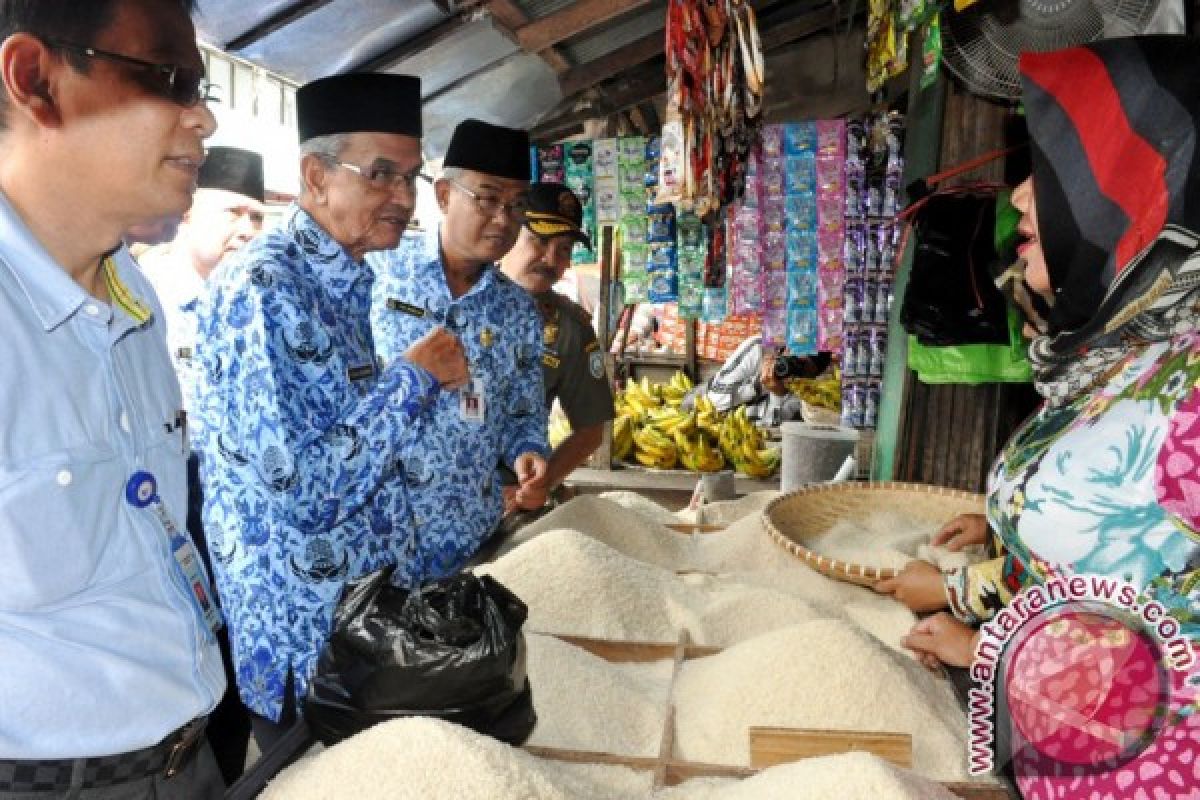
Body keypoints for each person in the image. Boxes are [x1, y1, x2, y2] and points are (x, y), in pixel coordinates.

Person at [878, 36, 1200, 800]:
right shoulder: (1123, 352)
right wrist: (981, 593)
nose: (1020, 195)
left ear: (1147, 183)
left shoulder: (1188, 391)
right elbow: (1115, 575)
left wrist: (986, 651)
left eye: (1054, 167)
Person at [193, 73, 468, 751]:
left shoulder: (342, 282)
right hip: (305, 651)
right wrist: (412, 381)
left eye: (410, 177)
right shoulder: (264, 285)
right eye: (380, 175)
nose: (403, 199)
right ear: (316, 178)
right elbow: (306, 491)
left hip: (360, 632)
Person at [0, 0, 226, 797]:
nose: (200, 119)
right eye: (169, 78)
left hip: (185, 759)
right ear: (37, 79)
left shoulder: (128, 289)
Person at [368, 118, 550, 575]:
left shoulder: (518, 311)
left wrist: (528, 453)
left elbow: (524, 414)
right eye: (488, 198)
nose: (503, 219)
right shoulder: (377, 275)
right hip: (378, 543)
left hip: (472, 545)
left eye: (517, 205)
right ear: (445, 195)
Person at [137, 145, 265, 785]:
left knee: (232, 709)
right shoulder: (145, 300)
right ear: (187, 210)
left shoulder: (253, 308)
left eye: (257, 217)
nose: (247, 228)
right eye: (234, 211)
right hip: (169, 537)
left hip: (238, 551)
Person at [499, 182, 615, 495]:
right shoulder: (459, 301)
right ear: (510, 235)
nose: (551, 259)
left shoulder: (569, 329)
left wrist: (541, 486)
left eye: (563, 249)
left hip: (507, 501)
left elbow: (591, 430)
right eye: (538, 240)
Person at [686, 335, 830, 427]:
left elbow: (769, 431)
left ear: (813, 375)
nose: (793, 368)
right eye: (794, 358)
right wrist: (758, 386)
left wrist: (777, 396)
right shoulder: (759, 349)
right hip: (698, 414)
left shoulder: (806, 390)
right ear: (787, 347)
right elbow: (714, 401)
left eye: (802, 368)